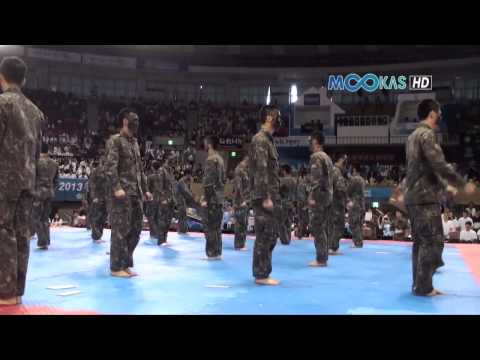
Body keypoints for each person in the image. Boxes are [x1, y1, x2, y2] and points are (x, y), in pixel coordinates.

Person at [404, 99, 475, 297]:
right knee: (434, 242)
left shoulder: (411, 137)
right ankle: (424, 286)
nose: (441, 116)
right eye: (439, 112)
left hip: (414, 196)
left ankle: (419, 285)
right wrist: (462, 183)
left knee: (420, 242)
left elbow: (425, 169)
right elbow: (439, 165)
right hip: (424, 198)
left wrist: (445, 186)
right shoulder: (427, 135)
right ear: (432, 113)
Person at [0, 57, 44, 306]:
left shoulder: (2, 104)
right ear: (24, 79)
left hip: (4, 183)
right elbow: (36, 153)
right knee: (21, 234)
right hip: (28, 181)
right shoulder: (35, 111)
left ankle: (4, 292)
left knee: (3, 233)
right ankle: (16, 290)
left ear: (1, 76)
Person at [104, 108, 153, 278]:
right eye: (133, 120)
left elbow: (140, 169)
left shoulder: (134, 143)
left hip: (136, 193)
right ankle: (116, 266)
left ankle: (126, 263)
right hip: (122, 194)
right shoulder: (115, 141)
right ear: (125, 121)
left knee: (136, 229)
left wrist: (145, 189)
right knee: (120, 230)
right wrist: (116, 187)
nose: (136, 124)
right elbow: (110, 167)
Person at [248, 105, 282, 286]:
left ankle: (263, 272)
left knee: (271, 234)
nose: (279, 119)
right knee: (265, 234)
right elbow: (261, 170)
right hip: (264, 195)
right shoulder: (261, 140)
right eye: (276, 115)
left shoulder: (268, 141)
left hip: (269, 194)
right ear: (269, 118)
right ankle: (261, 275)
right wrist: (265, 197)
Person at [307, 132, 334, 267]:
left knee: (317, 226)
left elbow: (316, 180)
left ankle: (321, 259)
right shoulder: (327, 158)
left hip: (320, 197)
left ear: (316, 141)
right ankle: (323, 257)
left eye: (310, 140)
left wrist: (311, 196)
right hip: (328, 196)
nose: (309, 143)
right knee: (324, 227)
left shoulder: (316, 157)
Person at [200, 135, 226, 260]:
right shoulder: (220, 159)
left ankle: (211, 253)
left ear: (209, 144)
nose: (204, 146)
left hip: (212, 199)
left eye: (205, 143)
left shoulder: (211, 160)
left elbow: (208, 183)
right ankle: (217, 252)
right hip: (220, 198)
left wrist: (206, 199)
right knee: (216, 228)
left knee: (210, 226)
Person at [32, 143, 59, 250]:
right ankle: (46, 241)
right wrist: (52, 189)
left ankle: (42, 241)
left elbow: (32, 177)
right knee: (45, 218)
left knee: (36, 217)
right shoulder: (54, 164)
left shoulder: (36, 162)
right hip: (50, 193)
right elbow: (57, 181)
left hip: (38, 192)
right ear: (48, 150)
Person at [147, 158, 175, 245]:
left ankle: (161, 237)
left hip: (165, 199)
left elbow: (169, 186)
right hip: (159, 199)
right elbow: (157, 187)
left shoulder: (167, 172)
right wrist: (163, 198)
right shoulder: (162, 172)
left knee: (163, 219)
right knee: (158, 218)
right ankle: (159, 238)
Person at [330, 154, 348, 254]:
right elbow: (340, 189)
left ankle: (330, 247)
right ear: (340, 160)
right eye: (344, 160)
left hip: (330, 202)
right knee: (338, 225)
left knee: (331, 225)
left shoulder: (330, 170)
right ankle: (333, 247)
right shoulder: (336, 171)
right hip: (336, 203)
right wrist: (347, 200)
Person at [89, 152, 108, 243]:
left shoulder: (110, 172)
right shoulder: (95, 171)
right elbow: (92, 184)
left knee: (103, 218)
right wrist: (94, 196)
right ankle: (95, 237)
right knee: (96, 217)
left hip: (106, 198)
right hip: (98, 197)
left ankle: (99, 236)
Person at [233, 155, 250, 250]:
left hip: (245, 200)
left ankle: (241, 244)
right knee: (240, 223)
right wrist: (242, 200)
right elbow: (238, 187)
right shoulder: (239, 170)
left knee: (244, 223)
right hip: (240, 201)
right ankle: (239, 244)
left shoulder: (244, 171)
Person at [346, 166, 366, 248]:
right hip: (361, 204)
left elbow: (349, 190)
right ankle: (359, 241)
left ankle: (357, 242)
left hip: (355, 203)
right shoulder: (362, 180)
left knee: (354, 223)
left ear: (354, 170)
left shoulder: (354, 179)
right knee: (359, 223)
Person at [278, 164, 296, 245]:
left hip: (284, 203)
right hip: (291, 203)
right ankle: (288, 238)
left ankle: (284, 239)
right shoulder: (294, 180)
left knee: (281, 222)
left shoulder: (283, 180)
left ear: (284, 171)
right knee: (288, 222)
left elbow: (278, 189)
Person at [176, 170, 194, 234]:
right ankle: (180, 230)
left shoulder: (186, 181)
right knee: (181, 215)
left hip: (184, 200)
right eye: (189, 175)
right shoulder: (181, 181)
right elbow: (186, 191)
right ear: (187, 175)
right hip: (180, 200)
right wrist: (192, 196)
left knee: (184, 215)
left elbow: (188, 191)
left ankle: (184, 230)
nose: (190, 177)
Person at [295, 168, 309, 239]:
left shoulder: (301, 182)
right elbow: (304, 194)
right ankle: (300, 234)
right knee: (303, 219)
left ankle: (300, 234)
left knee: (303, 220)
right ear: (305, 175)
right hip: (302, 204)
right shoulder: (303, 184)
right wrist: (306, 204)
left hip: (302, 203)